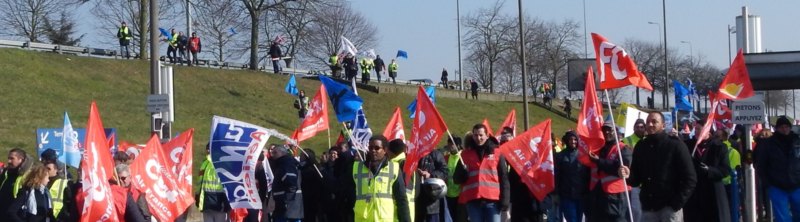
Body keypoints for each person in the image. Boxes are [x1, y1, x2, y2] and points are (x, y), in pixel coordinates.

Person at [620, 112, 697, 222]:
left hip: (669, 208)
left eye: (654, 122)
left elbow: (690, 178)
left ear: (663, 125)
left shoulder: (676, 145)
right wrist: (628, 175)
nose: (650, 124)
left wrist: (676, 203)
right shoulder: (641, 146)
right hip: (648, 208)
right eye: (648, 122)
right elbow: (636, 180)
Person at [345, 136, 411, 222]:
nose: (373, 150)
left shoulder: (394, 168)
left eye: (377, 148)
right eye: (370, 147)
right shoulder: (356, 168)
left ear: (385, 150)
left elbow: (401, 199)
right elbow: (347, 195)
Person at [454, 124, 510, 222]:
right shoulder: (465, 154)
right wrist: (463, 173)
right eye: (475, 135)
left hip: (492, 201)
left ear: (487, 136)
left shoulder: (496, 153)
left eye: (481, 135)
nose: (478, 138)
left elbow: (504, 177)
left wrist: (505, 200)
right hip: (473, 201)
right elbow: (456, 179)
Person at [754, 116, 800, 222]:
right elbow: (761, 165)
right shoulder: (768, 144)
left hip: (797, 184)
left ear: (790, 127)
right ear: (777, 128)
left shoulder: (797, 141)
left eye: (787, 127)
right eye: (782, 127)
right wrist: (768, 183)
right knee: (783, 218)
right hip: (777, 186)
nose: (784, 129)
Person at [586, 123, 632, 222]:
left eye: (609, 130)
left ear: (616, 132)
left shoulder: (623, 149)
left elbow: (620, 168)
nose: (606, 132)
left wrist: (599, 161)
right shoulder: (598, 149)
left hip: (616, 196)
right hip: (598, 196)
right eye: (604, 130)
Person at [683, 136, 731, 222]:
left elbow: (725, 170)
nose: (697, 132)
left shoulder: (719, 147)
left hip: (713, 192)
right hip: (695, 194)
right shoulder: (688, 145)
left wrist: (709, 170)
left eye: (699, 129)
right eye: (696, 128)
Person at [554, 131, 588, 222]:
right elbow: (556, 176)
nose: (573, 141)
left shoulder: (583, 155)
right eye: (571, 139)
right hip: (567, 196)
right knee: (572, 219)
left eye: (575, 139)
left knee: (579, 219)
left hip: (581, 195)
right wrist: (556, 193)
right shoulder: (560, 156)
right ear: (567, 141)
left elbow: (587, 175)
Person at [415, 139, 449, 222]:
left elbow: (445, 171)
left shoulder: (436, 154)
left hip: (432, 200)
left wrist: (430, 175)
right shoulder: (414, 154)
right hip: (417, 199)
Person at [270, 145, 304, 222]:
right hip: (287, 204)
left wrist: (287, 200)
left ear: (282, 153)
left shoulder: (286, 163)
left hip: (287, 204)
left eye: (275, 152)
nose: (272, 155)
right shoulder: (284, 162)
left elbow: (291, 181)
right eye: (272, 153)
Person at [387, 139, 418, 221]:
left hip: (397, 213)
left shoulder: (396, 166)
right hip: (409, 212)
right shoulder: (410, 166)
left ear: (391, 152)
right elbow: (417, 190)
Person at [199, 144, 231, 221]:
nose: (207, 151)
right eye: (207, 148)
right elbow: (200, 184)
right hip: (214, 203)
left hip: (214, 203)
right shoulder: (206, 163)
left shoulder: (206, 163)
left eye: (208, 148)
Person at [0, 148, 32, 218]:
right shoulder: (6, 173)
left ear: (21, 160)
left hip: (16, 216)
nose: (9, 161)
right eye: (8, 158)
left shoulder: (27, 176)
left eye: (12, 158)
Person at [442, 136, 467, 222]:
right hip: (448, 194)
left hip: (461, 194)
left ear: (458, 145)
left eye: (452, 144)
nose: (450, 147)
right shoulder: (446, 158)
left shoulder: (464, 157)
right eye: (449, 144)